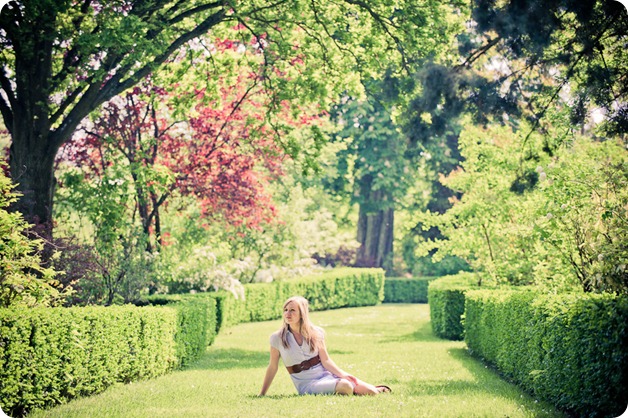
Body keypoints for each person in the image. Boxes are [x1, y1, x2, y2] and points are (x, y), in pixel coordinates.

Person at [259, 295, 391, 396]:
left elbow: (326, 360)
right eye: (285, 310)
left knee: (372, 392)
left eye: (292, 310)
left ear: (302, 314)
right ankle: (347, 389)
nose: (287, 314)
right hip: (307, 384)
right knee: (346, 386)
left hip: (327, 375)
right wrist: (262, 394)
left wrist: (342, 374)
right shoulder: (277, 338)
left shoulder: (317, 333)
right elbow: (272, 367)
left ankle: (360, 389)